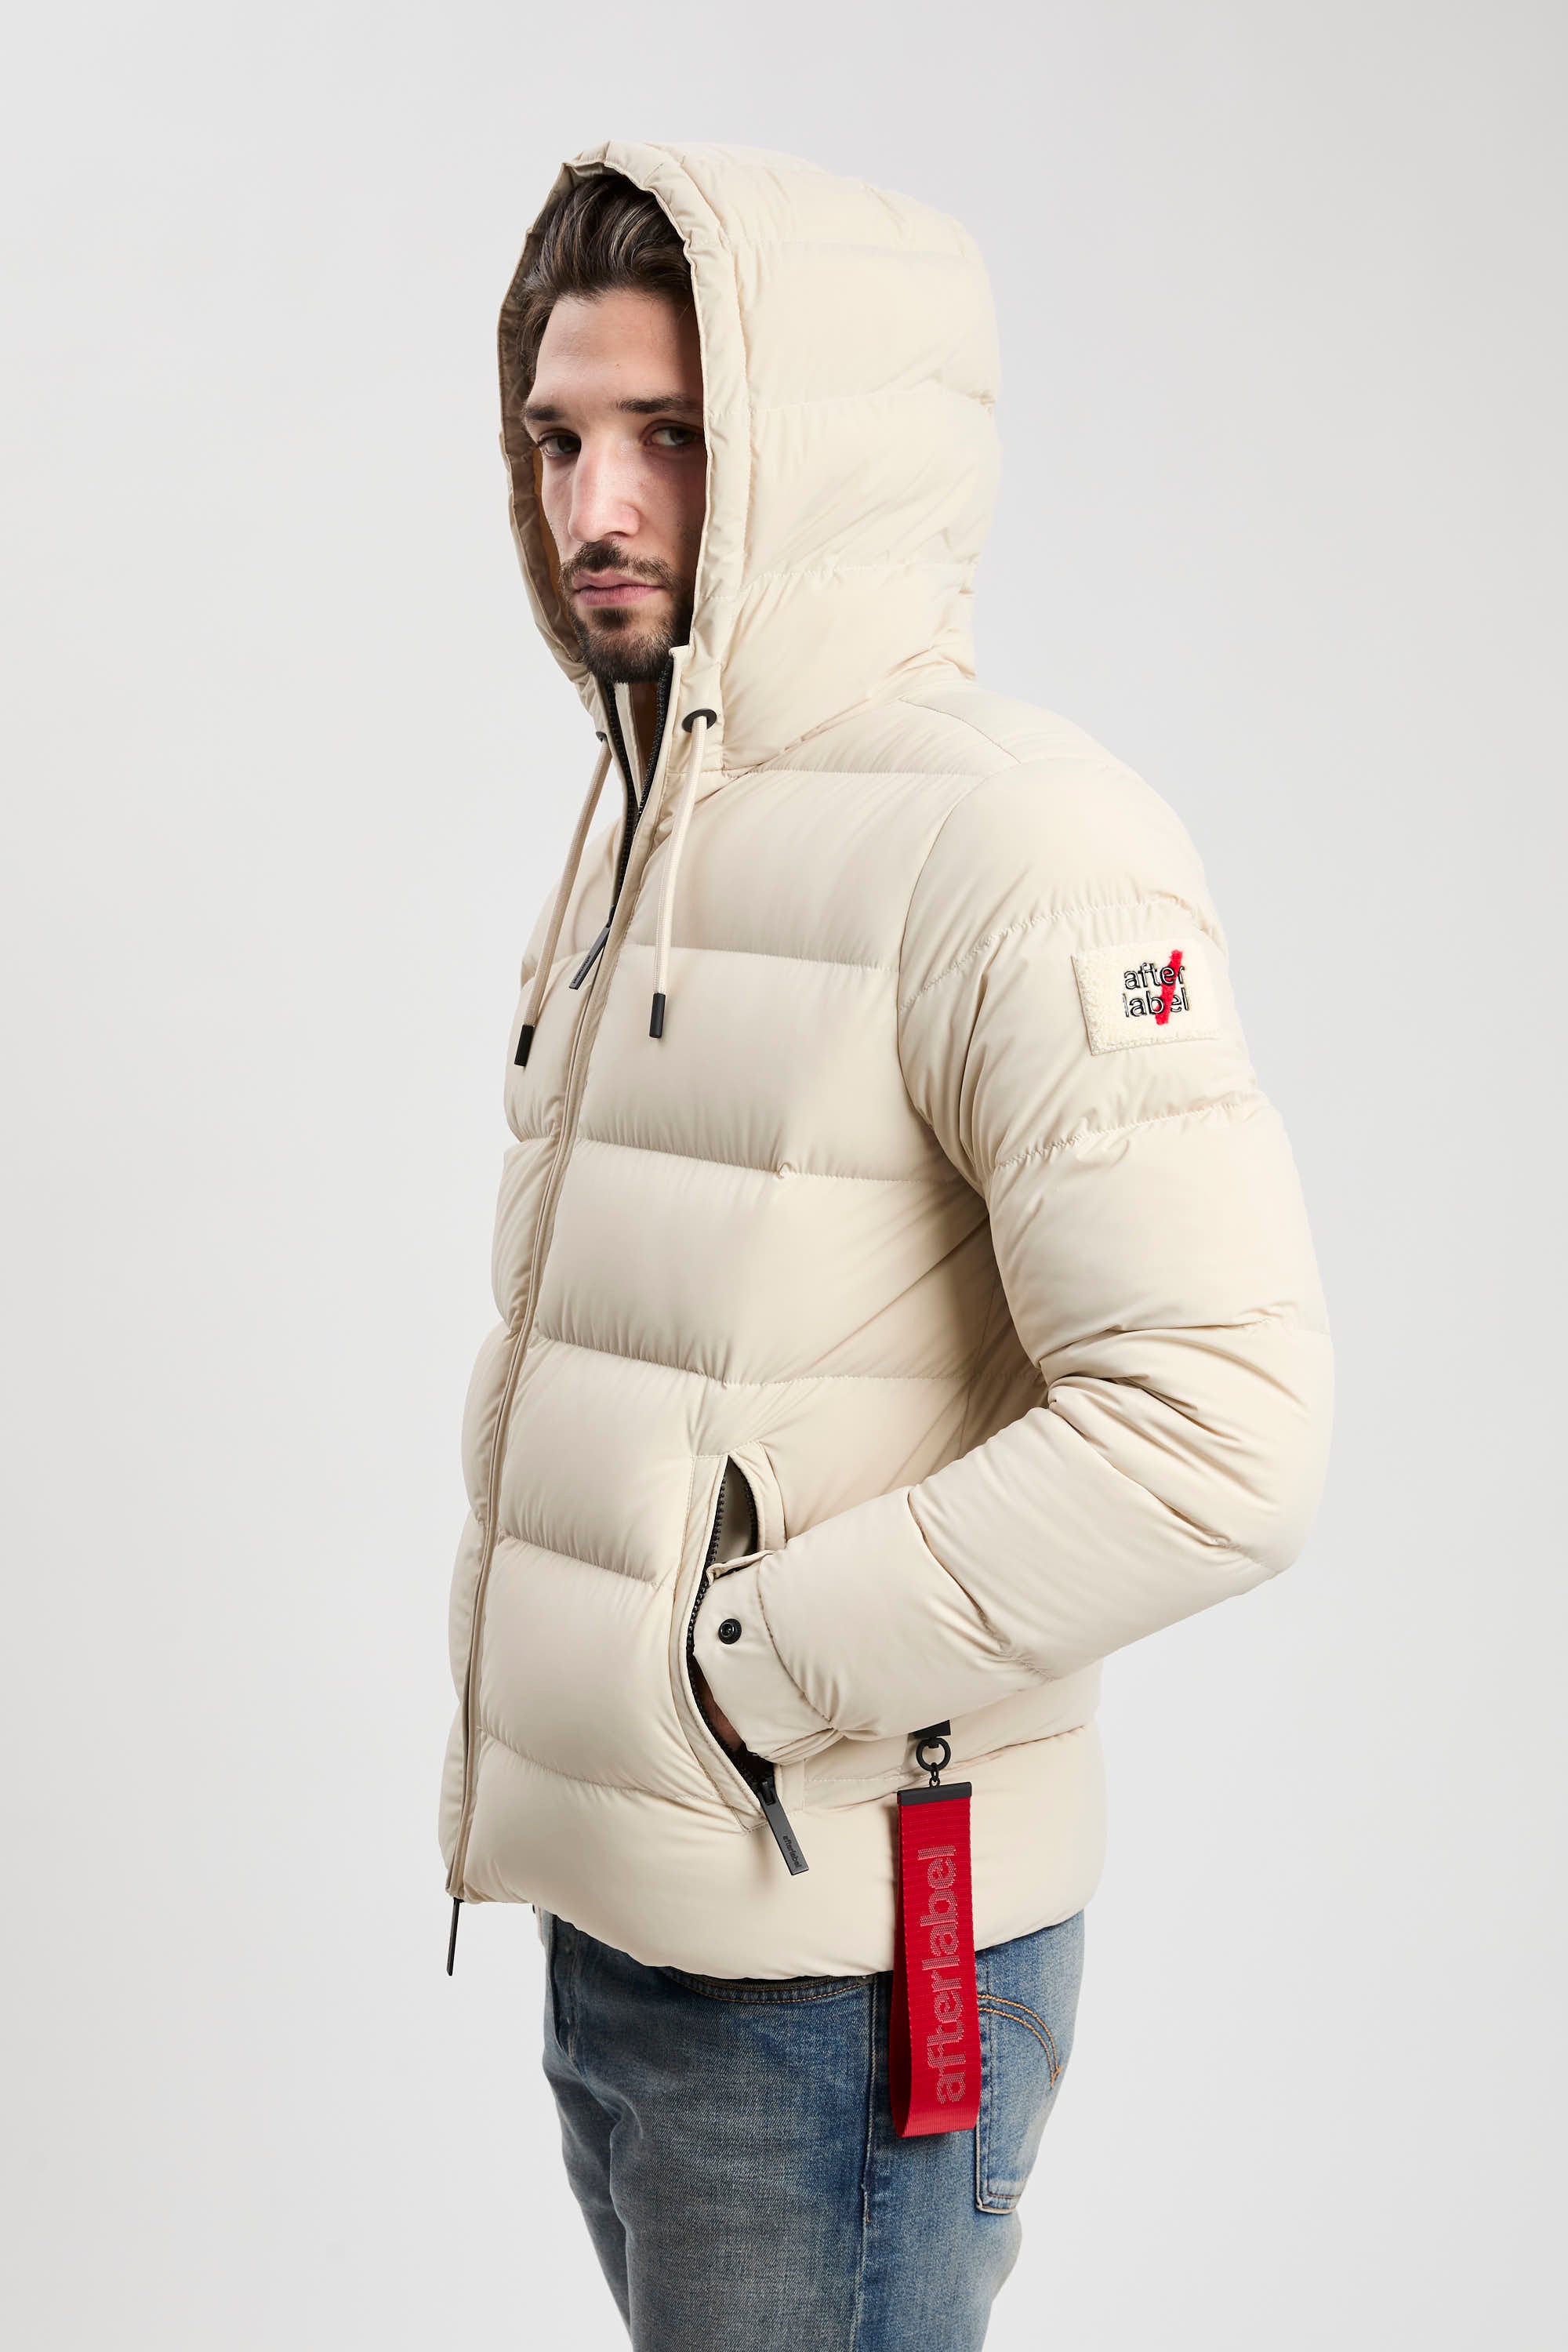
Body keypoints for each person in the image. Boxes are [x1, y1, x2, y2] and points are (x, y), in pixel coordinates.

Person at [437, 141, 1332, 2352]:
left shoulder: (1023, 846)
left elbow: (1221, 1436)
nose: (597, 507)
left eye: (671, 435)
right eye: (559, 439)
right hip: (632, 1939)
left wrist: (737, 1674)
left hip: (834, 1981)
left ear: (815, 457)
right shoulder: (645, 825)